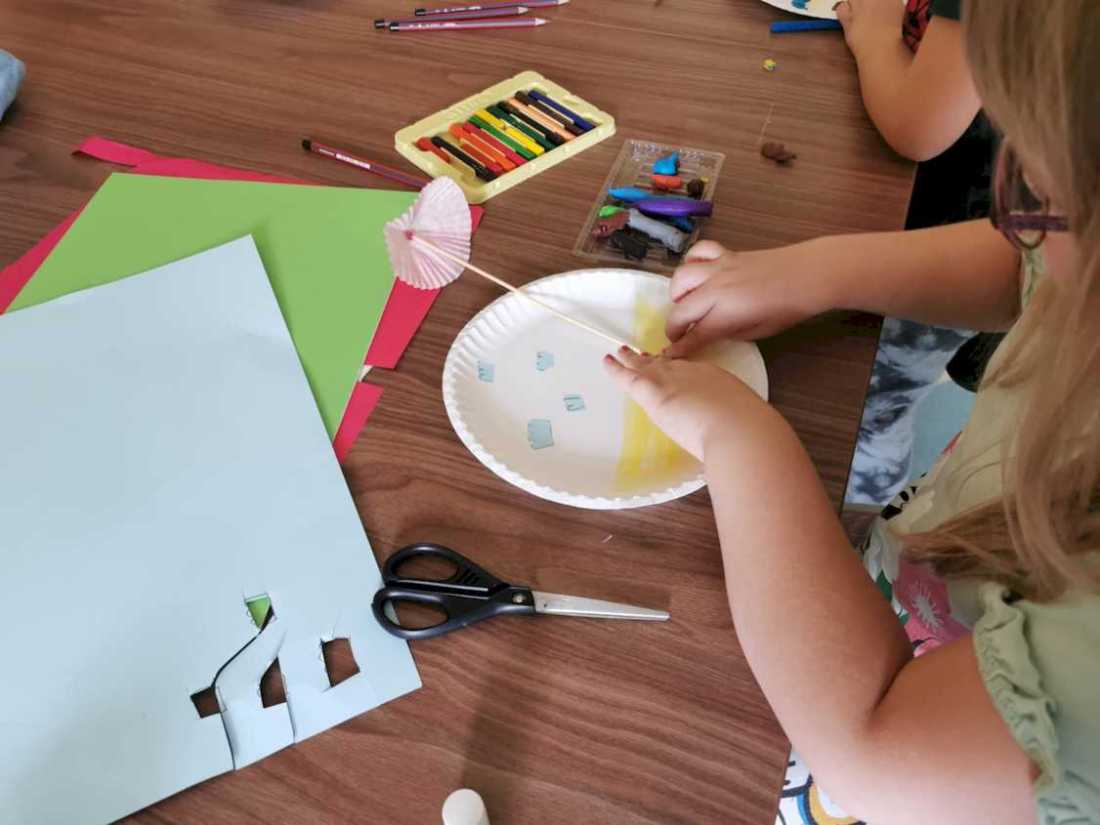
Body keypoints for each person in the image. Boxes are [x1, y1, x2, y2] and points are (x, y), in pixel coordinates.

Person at [605, 2, 1100, 822]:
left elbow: (872, 749)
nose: (1016, 207)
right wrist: (816, 273)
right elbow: (1033, 264)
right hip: (927, 576)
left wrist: (742, 440)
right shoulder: (1070, 245)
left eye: (1045, 184)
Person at [838, 0, 1001, 507]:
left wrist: (873, 33)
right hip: (976, 218)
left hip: (960, 230)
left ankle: (860, 507)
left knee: (871, 395)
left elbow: (917, 127)